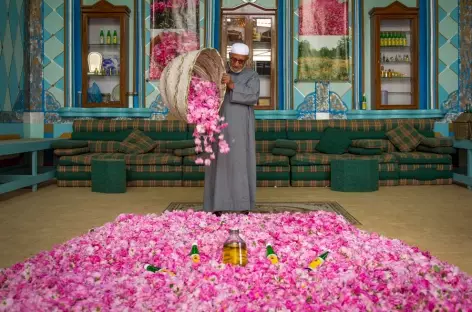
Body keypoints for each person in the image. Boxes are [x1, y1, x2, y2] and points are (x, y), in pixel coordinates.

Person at [203, 43, 260, 215]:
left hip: (242, 127)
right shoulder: (219, 72)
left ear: (246, 61)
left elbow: (253, 96)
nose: (236, 64)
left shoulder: (252, 75)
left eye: (240, 61)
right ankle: (217, 205)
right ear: (229, 56)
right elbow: (207, 95)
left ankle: (242, 205)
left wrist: (232, 85)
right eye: (234, 59)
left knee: (240, 163)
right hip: (219, 125)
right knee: (219, 163)